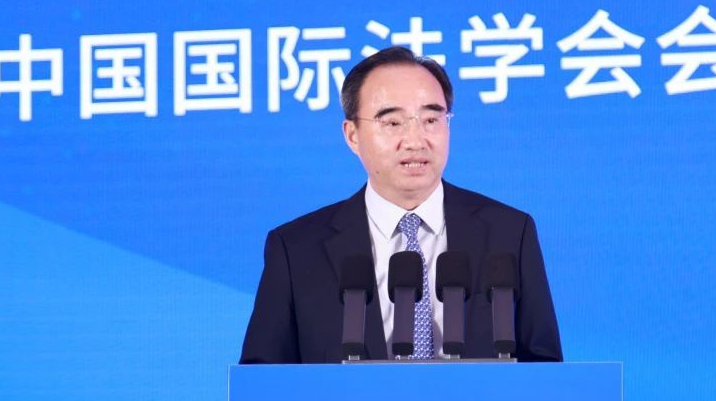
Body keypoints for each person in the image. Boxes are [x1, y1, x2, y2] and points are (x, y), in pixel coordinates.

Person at [239, 46, 562, 364]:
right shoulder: (296, 249)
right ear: (352, 135)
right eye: (393, 123)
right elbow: (262, 381)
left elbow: (545, 370)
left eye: (431, 119)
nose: (415, 140)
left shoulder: (509, 233)